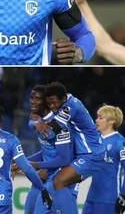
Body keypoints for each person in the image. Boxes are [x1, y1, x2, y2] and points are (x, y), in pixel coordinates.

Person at [29, 82, 105, 213]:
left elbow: (50, 133)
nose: (52, 107)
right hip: (83, 154)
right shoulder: (66, 100)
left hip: (92, 154)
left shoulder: (69, 107)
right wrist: (35, 123)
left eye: (54, 103)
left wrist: (37, 124)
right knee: (54, 182)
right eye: (49, 104)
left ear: (63, 99)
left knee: (58, 181)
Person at [12, 85, 80, 213]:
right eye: (31, 98)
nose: (32, 101)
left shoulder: (57, 126)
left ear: (46, 103)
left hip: (61, 182)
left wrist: (36, 165)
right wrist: (23, 162)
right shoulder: (41, 123)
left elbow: (64, 159)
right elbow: (48, 150)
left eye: (37, 99)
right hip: (49, 181)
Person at [82, 105, 125, 214]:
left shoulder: (120, 142)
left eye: (100, 117)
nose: (96, 120)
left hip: (109, 198)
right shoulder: (95, 140)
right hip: (92, 196)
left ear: (111, 121)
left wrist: (123, 195)